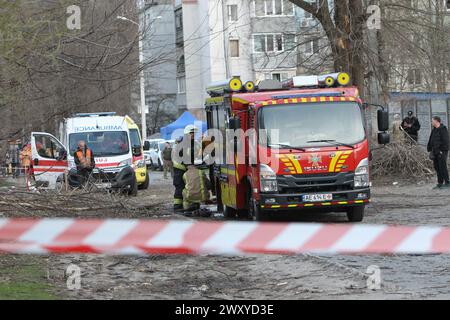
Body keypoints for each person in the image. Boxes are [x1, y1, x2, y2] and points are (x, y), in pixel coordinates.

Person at [427, 116, 450, 189]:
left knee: (442, 167)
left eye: (432, 121)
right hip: (435, 152)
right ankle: (440, 183)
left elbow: (446, 141)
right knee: (437, 167)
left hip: (442, 152)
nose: (431, 122)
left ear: (437, 121)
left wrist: (441, 151)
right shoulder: (434, 130)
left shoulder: (443, 129)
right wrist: (429, 148)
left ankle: (447, 182)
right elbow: (431, 139)